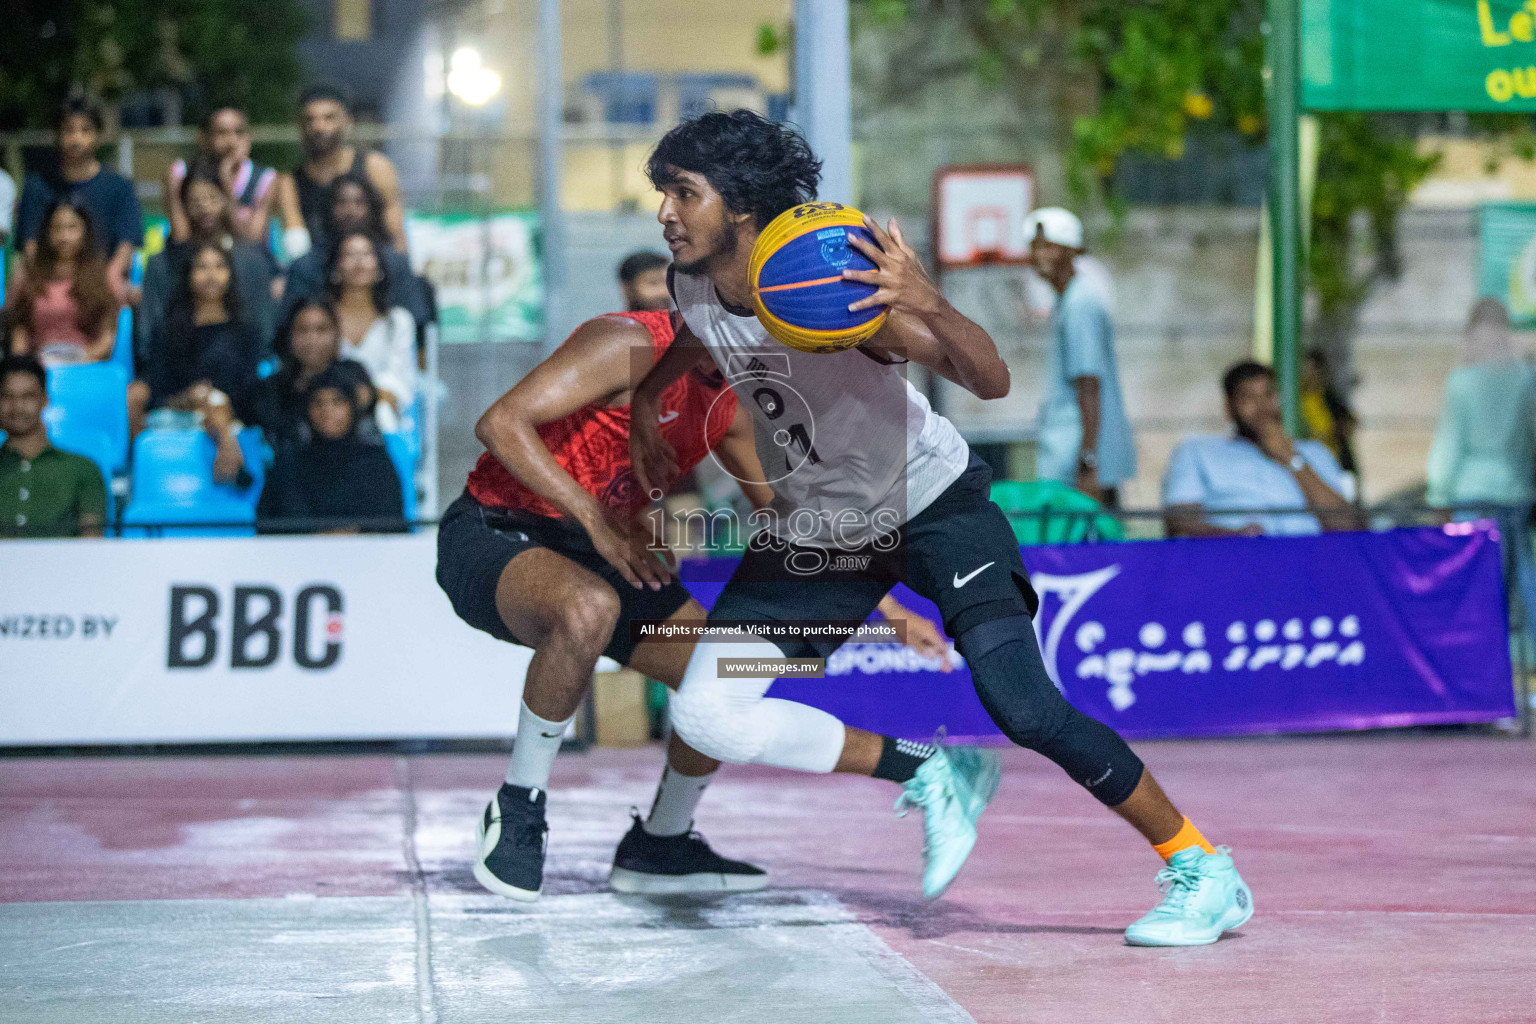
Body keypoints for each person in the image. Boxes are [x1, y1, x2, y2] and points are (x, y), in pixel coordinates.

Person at [629, 111, 1251, 946]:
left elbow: (987, 378)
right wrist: (646, 400)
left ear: (741, 207)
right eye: (662, 192)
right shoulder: (691, 283)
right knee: (707, 710)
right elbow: (704, 346)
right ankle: (930, 768)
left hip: (935, 510)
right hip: (825, 539)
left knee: (1023, 706)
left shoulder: (826, 284)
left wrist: (926, 299)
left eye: (683, 193)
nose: (665, 211)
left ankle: (1202, 867)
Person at [438, 306, 962, 901]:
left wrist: (886, 607)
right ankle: (518, 805)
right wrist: (599, 520)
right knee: (589, 606)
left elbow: (792, 518)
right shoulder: (627, 343)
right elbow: (501, 422)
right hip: (494, 533)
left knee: (716, 675)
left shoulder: (732, 408)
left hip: (604, 551)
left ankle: (662, 843)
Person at [1163, 361, 1359, 538]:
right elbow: (1180, 522)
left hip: (1308, 562)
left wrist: (1292, 459)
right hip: (1232, 560)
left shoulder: (1314, 452)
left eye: (1268, 395)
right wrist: (1235, 537)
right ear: (1229, 407)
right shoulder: (1197, 452)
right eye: (1249, 398)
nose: (1262, 406)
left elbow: (1349, 527)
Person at [1025, 207, 1135, 508]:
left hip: (1080, 459)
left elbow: (1088, 384)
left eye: (1048, 246)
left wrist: (1089, 459)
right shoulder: (1067, 301)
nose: (1038, 256)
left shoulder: (1080, 304)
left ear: (1072, 251)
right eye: (1034, 247)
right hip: (1071, 450)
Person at [134, 242, 260, 484]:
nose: (212, 275)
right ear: (188, 275)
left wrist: (212, 398)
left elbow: (248, 388)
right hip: (175, 413)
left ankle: (228, 455)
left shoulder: (245, 330)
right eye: (202, 267)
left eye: (219, 266)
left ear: (231, 274)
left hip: (229, 413)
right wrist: (188, 398)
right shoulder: (168, 329)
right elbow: (158, 384)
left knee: (215, 401)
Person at [139, 163, 276, 366]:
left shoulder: (251, 261)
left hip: (241, 367)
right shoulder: (162, 264)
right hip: (176, 367)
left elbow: (264, 332)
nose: (204, 207)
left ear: (227, 200)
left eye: (212, 198)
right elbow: (149, 334)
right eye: (195, 201)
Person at [257, 364, 404, 533]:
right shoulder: (288, 465)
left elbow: (393, 523)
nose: (327, 411)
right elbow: (267, 524)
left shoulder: (376, 463)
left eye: (337, 402)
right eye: (318, 403)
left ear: (352, 407)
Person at [14, 97, 143, 283]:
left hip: (101, 288)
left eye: (85, 130)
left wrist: (103, 287)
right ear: (57, 134)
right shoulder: (36, 187)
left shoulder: (119, 187)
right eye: (68, 130)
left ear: (98, 135)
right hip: (48, 289)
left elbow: (126, 246)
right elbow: (29, 247)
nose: (76, 139)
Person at [1427, 298, 1536, 511]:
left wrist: (1438, 495)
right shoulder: (1525, 378)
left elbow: (1450, 443)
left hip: (1470, 493)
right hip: (1516, 491)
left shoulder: (1461, 381)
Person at [276, 84, 407, 258]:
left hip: (371, 269)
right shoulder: (290, 181)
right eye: (310, 120)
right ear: (301, 127)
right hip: (319, 271)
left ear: (346, 122)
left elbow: (396, 235)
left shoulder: (374, 167)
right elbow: (296, 244)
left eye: (328, 118)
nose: (318, 127)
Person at [278, 176, 425, 325]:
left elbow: (417, 323)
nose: (350, 211)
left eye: (359, 203)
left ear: (371, 208)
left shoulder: (395, 263)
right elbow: (289, 328)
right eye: (341, 203)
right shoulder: (305, 267)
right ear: (329, 209)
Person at [252, 299, 379, 453]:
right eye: (302, 330)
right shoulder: (274, 387)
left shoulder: (353, 374)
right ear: (289, 335)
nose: (312, 339)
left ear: (336, 333)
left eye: (321, 330)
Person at [0, 354, 106, 538]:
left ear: (44, 400)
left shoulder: (83, 470)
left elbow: (91, 551)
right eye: (7, 397)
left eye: (28, 397)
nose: (17, 406)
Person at [5, 200, 122, 365]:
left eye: (72, 228)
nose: (64, 237)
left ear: (85, 232)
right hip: (39, 368)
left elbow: (106, 340)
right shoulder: (29, 277)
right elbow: (20, 334)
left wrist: (75, 363)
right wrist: (25, 365)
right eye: (57, 228)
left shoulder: (102, 279)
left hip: (84, 367)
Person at [328, 229, 415, 431]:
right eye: (349, 254)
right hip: (329, 415)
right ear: (336, 267)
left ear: (379, 266)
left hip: (386, 419)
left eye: (366, 254)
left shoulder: (399, 321)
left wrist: (372, 396)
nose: (358, 262)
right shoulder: (322, 320)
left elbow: (402, 381)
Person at [164, 107, 278, 247]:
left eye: (239, 132)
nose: (231, 141)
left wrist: (226, 182)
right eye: (222, 133)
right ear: (204, 138)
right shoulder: (182, 173)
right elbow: (180, 237)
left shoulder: (264, 178)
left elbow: (252, 241)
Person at [1300, 349, 1358, 477]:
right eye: (1307, 370)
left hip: (1333, 463)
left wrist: (1336, 431)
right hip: (1309, 466)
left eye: (1315, 371)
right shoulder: (1296, 401)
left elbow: (1349, 421)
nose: (1311, 375)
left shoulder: (1328, 397)